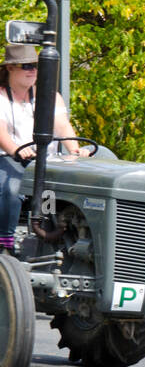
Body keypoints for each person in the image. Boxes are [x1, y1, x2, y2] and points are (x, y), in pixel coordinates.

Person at [0, 43, 92, 252]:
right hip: (11, 157)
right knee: (12, 188)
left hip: (46, 161)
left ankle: (51, 236)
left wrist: (74, 150)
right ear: (10, 68)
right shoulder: (2, 96)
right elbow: (1, 132)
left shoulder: (49, 96)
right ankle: (5, 242)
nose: (32, 70)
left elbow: (62, 126)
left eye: (35, 65)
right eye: (26, 66)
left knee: (54, 192)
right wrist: (16, 150)